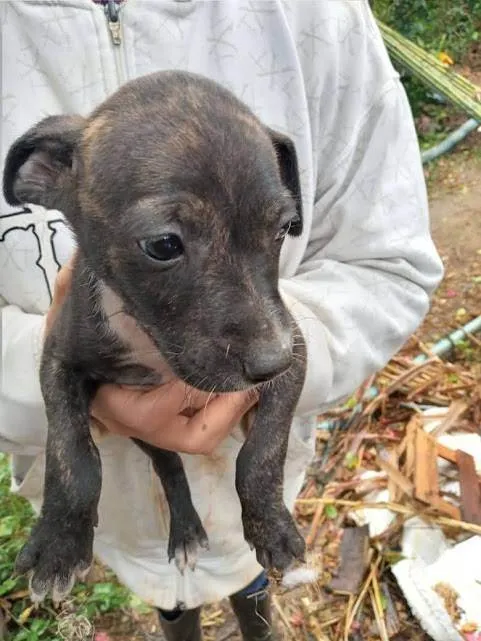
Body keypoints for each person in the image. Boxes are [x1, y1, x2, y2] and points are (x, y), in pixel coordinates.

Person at [0, 1, 444, 640]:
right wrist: (70, 497)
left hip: (255, 484)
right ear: (46, 175)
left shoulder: (317, 16)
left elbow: (384, 267)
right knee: (172, 606)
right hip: (123, 524)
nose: (269, 343)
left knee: (253, 580)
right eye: (166, 244)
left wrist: (259, 491)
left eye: (277, 229)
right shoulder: (74, 165)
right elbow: (62, 365)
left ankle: (258, 611)